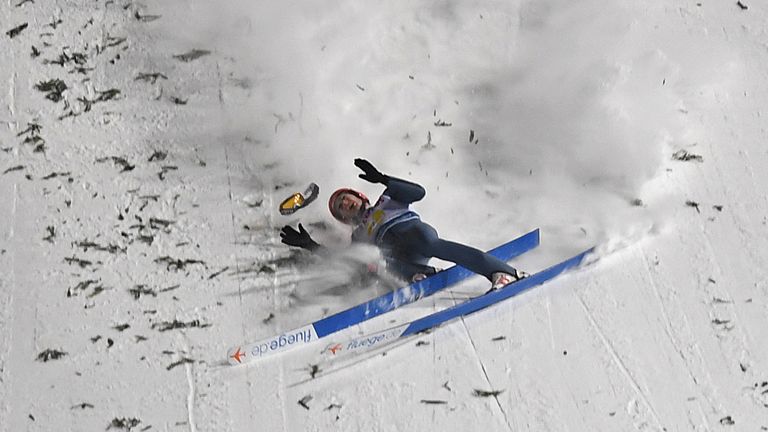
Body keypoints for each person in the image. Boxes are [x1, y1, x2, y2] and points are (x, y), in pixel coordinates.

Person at [280, 158, 528, 290]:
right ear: (343, 219)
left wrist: (383, 179)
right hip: (401, 257)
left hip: (413, 233)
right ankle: (421, 276)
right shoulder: (358, 237)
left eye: (346, 199)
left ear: (359, 197)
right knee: (370, 263)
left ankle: (503, 273)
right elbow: (345, 261)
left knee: (433, 244)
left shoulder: (385, 200)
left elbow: (418, 192)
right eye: (340, 209)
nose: (346, 205)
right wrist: (311, 245)